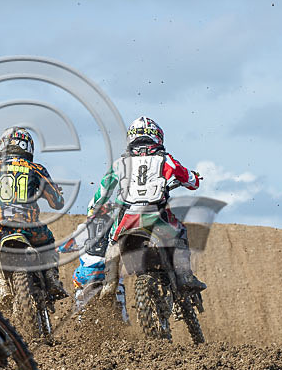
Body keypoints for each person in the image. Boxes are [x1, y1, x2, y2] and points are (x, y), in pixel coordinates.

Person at [88, 116, 206, 293]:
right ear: (157, 136)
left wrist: (92, 211)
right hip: (155, 214)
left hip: (128, 217)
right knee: (179, 231)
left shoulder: (120, 163)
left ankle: (109, 287)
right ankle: (185, 276)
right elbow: (191, 181)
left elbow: (103, 192)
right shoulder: (165, 159)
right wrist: (195, 178)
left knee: (113, 244)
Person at [0, 127, 67, 307]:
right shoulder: (37, 169)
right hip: (32, 231)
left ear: (3, 144)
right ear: (28, 147)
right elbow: (57, 203)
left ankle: (1, 284)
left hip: (1, 230)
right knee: (48, 240)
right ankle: (52, 278)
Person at [56, 207, 129, 322]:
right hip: (108, 272)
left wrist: (57, 249)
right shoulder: (116, 229)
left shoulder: (83, 228)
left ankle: (81, 315)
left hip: (87, 274)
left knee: (77, 280)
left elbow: (65, 246)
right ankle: (124, 316)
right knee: (119, 282)